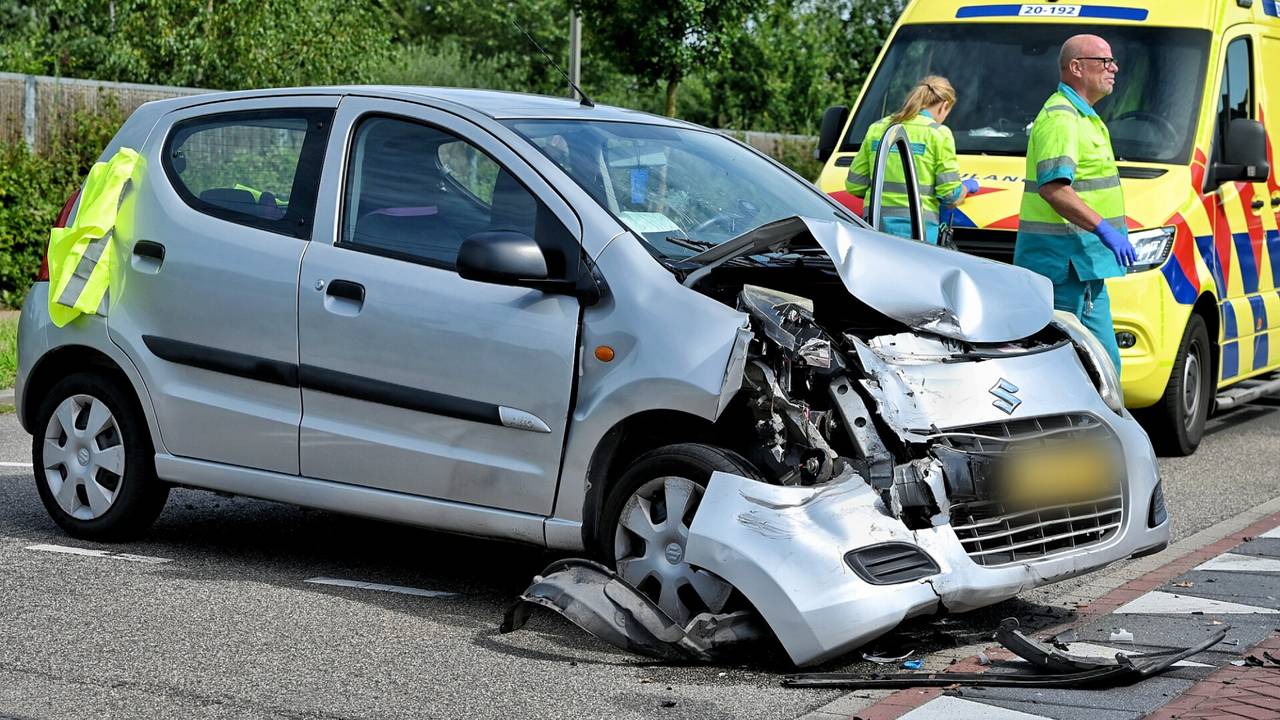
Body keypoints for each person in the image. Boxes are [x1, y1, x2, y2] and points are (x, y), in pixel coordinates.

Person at [1014, 34, 1136, 373]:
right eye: (1105, 61)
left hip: (1084, 267)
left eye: (1113, 61)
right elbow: (1054, 189)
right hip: (1064, 266)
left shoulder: (1085, 117)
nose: (1114, 68)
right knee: (1073, 371)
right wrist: (1104, 229)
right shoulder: (1061, 118)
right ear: (1076, 67)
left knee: (1104, 368)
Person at [845, 75, 978, 244]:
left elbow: (854, 185)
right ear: (944, 106)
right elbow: (950, 195)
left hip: (875, 230)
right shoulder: (938, 133)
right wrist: (968, 187)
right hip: (919, 233)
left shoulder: (877, 128)